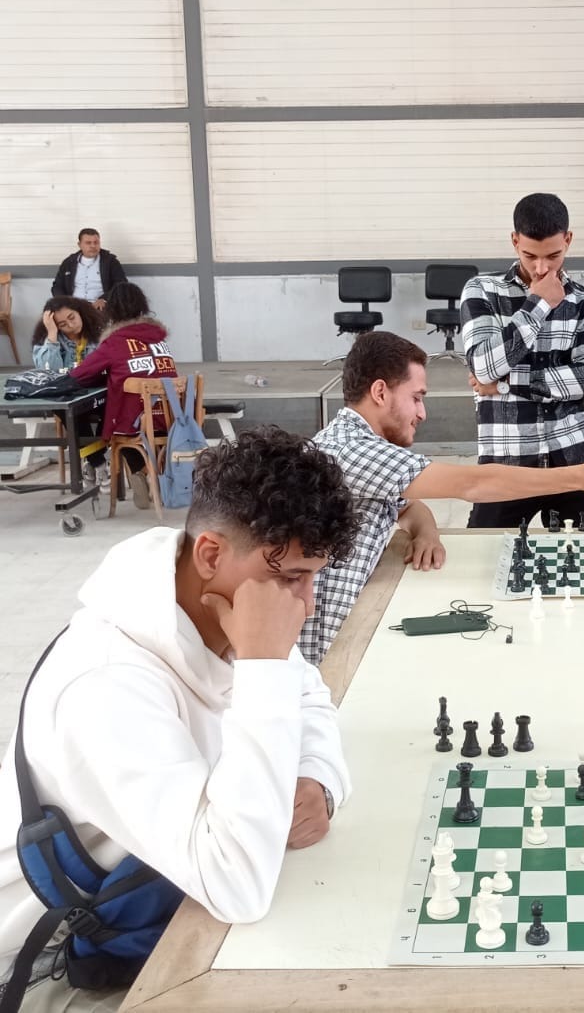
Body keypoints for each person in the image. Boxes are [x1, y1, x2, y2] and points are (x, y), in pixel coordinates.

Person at [0, 427, 358, 1011]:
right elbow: (237, 885)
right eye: (292, 577)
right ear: (211, 554)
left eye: (312, 576)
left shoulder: (228, 601)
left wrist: (317, 775)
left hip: (163, 909)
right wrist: (264, 667)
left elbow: (309, 698)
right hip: (62, 972)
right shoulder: (104, 684)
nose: (306, 604)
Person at [303, 330, 584, 665]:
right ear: (380, 392)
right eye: (416, 398)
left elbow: (409, 507)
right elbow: (473, 484)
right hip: (326, 650)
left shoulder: (350, 442)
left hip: (349, 624)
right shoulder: (352, 450)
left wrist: (426, 532)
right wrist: (581, 476)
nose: (422, 413)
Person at [459, 193, 584, 530]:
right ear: (515, 241)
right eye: (530, 256)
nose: (541, 268)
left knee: (572, 558)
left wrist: (506, 383)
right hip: (506, 460)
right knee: (485, 550)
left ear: (568, 240)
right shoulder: (482, 290)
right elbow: (484, 366)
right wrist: (538, 305)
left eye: (553, 256)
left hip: (574, 455)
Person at [68, 283, 177, 504]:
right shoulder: (160, 340)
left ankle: (138, 470)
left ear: (111, 311)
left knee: (115, 423)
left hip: (136, 422)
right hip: (172, 418)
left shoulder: (115, 342)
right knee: (127, 415)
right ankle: (152, 473)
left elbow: (79, 375)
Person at [50, 230, 127, 310]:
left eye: (96, 242)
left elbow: (121, 285)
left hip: (100, 307)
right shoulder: (69, 262)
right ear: (79, 245)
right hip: (73, 307)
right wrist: (65, 302)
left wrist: (104, 299)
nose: (93, 246)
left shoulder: (110, 261)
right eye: (88, 243)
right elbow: (57, 286)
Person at [29, 297, 104, 371]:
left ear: (79, 312)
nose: (71, 325)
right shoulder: (46, 341)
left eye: (72, 318)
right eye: (63, 324)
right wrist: (52, 334)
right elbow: (49, 372)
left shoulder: (100, 333)